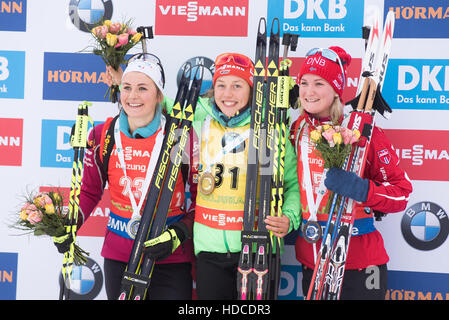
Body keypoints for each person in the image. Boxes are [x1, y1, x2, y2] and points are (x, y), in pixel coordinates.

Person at [55, 55, 195, 300]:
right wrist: (70, 225)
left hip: (169, 257)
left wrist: (178, 234)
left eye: (143, 88)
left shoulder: (181, 137)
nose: (132, 96)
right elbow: (88, 191)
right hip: (119, 256)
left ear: (159, 95)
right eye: (127, 88)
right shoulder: (102, 135)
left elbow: (202, 200)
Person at [290, 46, 413, 300]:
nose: (309, 91)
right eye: (304, 82)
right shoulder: (297, 130)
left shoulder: (362, 132)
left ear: (336, 90)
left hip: (360, 263)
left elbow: (401, 194)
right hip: (312, 260)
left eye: (319, 83)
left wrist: (361, 189)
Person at [182, 53, 301, 300]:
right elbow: (156, 106)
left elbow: (292, 184)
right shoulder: (199, 123)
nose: (228, 94)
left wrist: (289, 217)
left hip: (258, 246)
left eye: (237, 86)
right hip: (208, 248)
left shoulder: (269, 129)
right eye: (221, 85)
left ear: (251, 90)